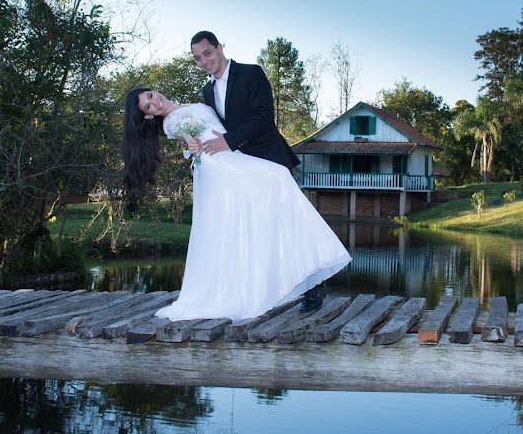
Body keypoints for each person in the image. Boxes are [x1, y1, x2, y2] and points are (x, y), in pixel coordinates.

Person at [122, 88, 351, 321]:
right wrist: (191, 146)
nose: (155, 102)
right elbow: (188, 140)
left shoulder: (186, 107)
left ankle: (304, 277)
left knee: (265, 207)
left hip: (233, 156)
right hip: (220, 167)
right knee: (276, 179)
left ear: (154, 90)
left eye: (150, 96)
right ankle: (292, 280)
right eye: (148, 107)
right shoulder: (172, 123)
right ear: (148, 116)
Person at [188, 31, 326, 311]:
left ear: (220, 47)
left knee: (289, 225)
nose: (204, 61)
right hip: (241, 170)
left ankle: (315, 286)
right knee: (259, 230)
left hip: (269, 159)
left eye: (207, 53)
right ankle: (269, 290)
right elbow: (214, 128)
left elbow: (263, 117)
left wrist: (229, 141)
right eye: (197, 58)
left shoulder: (251, 73)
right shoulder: (207, 91)